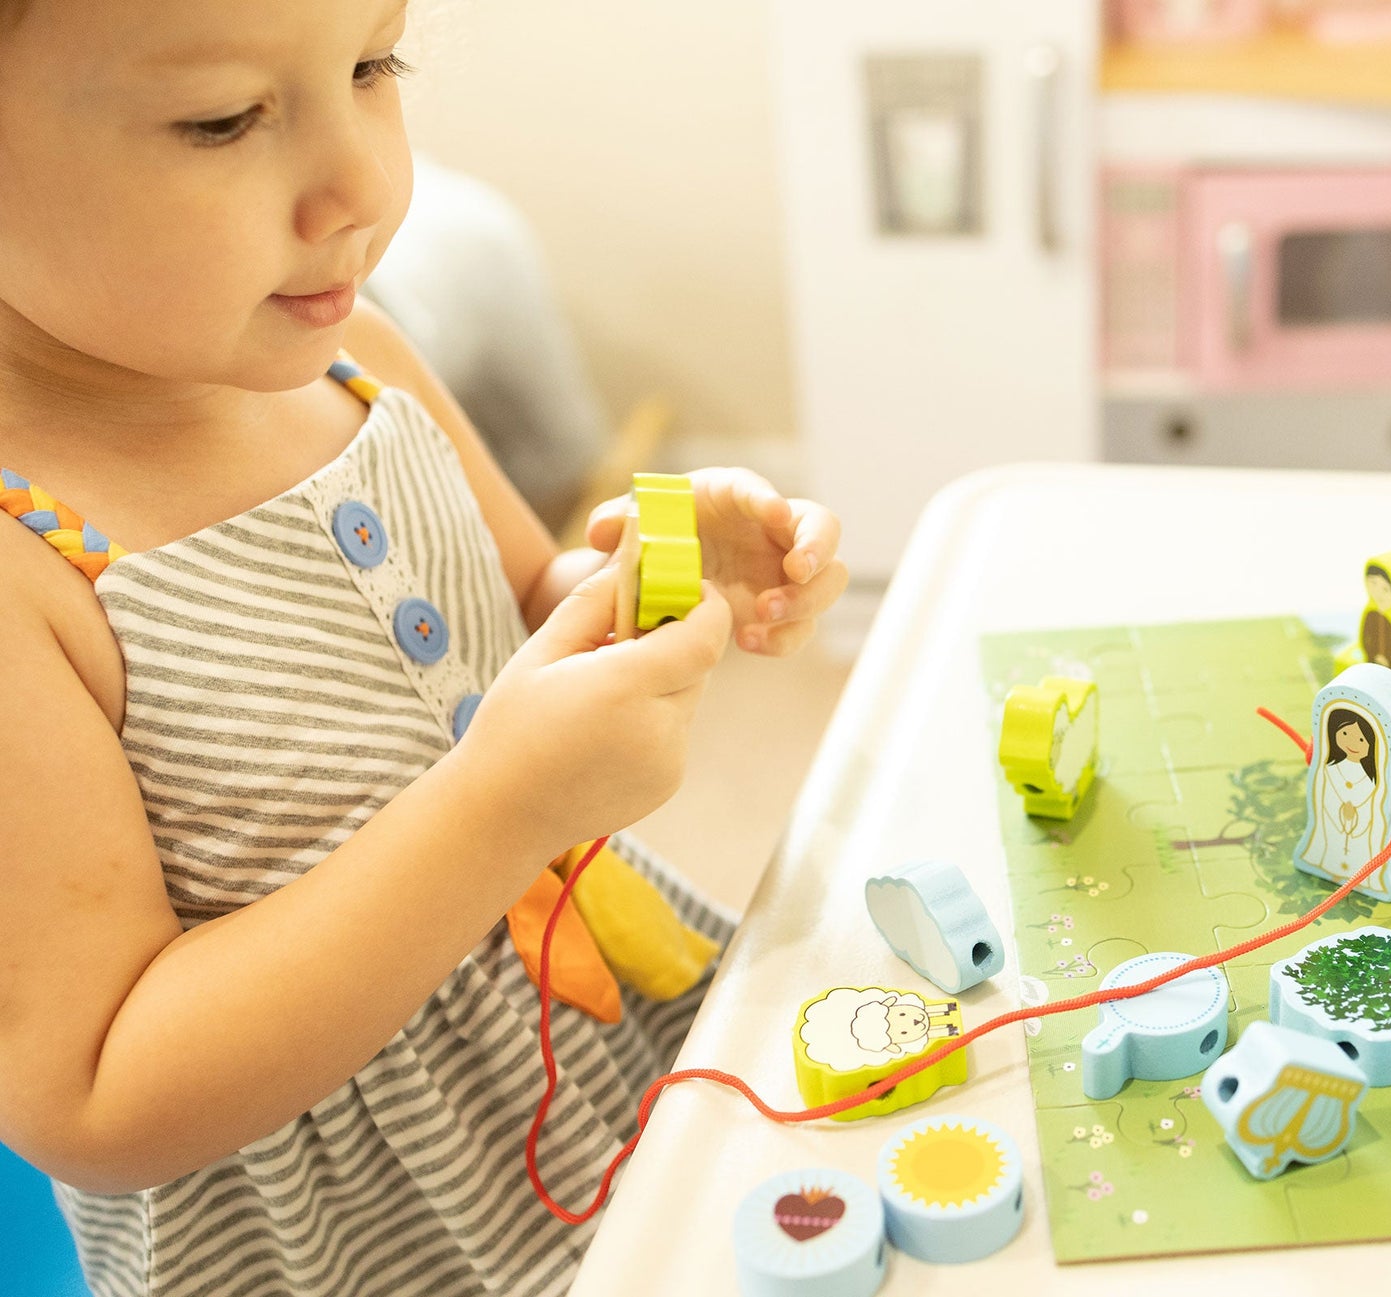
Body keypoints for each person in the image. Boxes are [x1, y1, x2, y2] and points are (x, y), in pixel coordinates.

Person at [0, 3, 847, 1294]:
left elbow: (515, 606)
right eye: (223, 119)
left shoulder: (356, 358)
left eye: (370, 67)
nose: (366, 183)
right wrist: (504, 802)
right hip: (354, 1238)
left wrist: (643, 578)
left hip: (592, 1053)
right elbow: (96, 1099)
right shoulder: (27, 573)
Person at [1300, 707, 1387, 878]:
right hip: (1330, 835)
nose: (1353, 744)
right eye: (1345, 734)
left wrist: (1355, 820)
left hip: (1361, 845)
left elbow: (1375, 812)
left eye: (1361, 739)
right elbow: (1321, 802)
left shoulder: (1372, 780)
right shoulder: (1328, 769)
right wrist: (1340, 815)